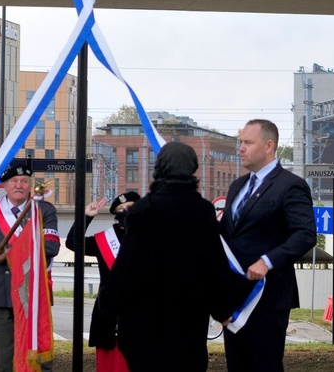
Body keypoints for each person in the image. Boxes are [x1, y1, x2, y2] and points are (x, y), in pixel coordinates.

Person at [99, 142, 241, 372]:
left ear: (160, 168)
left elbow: (126, 266)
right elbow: (214, 266)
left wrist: (109, 305)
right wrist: (223, 310)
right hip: (188, 322)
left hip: (142, 323)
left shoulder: (142, 211)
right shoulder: (203, 211)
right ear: (192, 168)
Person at [219, 119, 317, 372]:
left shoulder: (290, 185)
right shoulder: (237, 186)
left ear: (268, 145)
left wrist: (267, 261)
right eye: (240, 142)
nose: (241, 148)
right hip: (235, 299)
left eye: (248, 142)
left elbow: (305, 234)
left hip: (268, 299)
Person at [0, 162, 60, 372]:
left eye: (24, 181)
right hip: (1, 293)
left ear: (30, 185)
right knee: (7, 360)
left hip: (33, 295)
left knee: (38, 360)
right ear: (4, 187)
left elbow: (51, 247)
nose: (19, 185)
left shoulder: (44, 210)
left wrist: (9, 255)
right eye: (13, 181)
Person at [65, 191, 140, 372]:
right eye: (120, 209)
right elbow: (73, 242)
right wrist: (86, 217)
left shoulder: (150, 237)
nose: (124, 212)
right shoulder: (104, 239)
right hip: (108, 316)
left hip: (139, 317)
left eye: (129, 208)